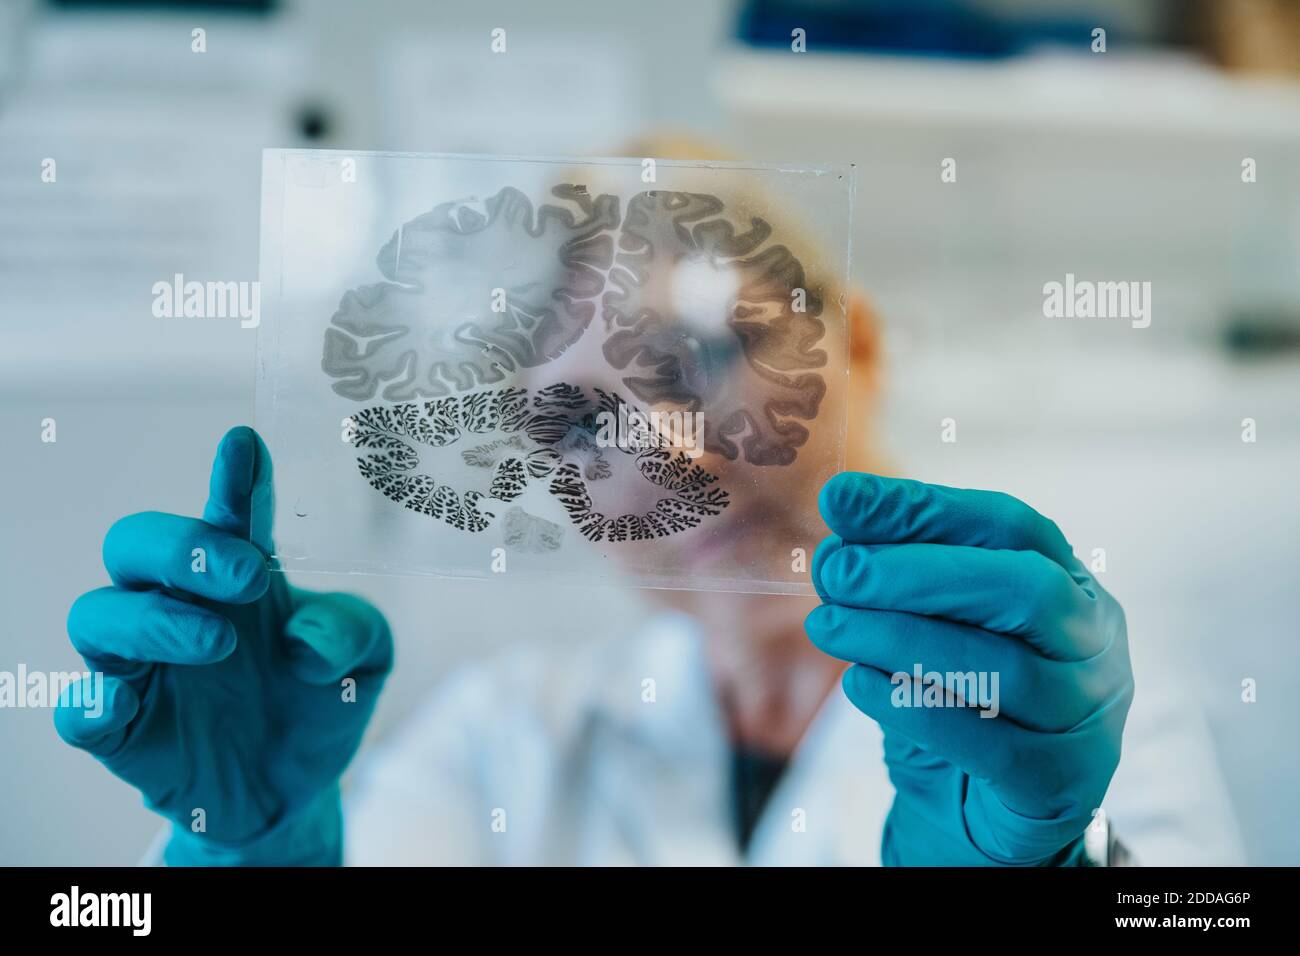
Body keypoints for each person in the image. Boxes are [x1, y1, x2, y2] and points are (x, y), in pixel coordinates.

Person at [53, 145, 1244, 866]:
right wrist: (250, 840)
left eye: (711, 351)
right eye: (581, 421)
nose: (671, 452)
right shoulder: (504, 734)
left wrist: (1039, 866)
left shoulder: (1067, 706)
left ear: (861, 347)